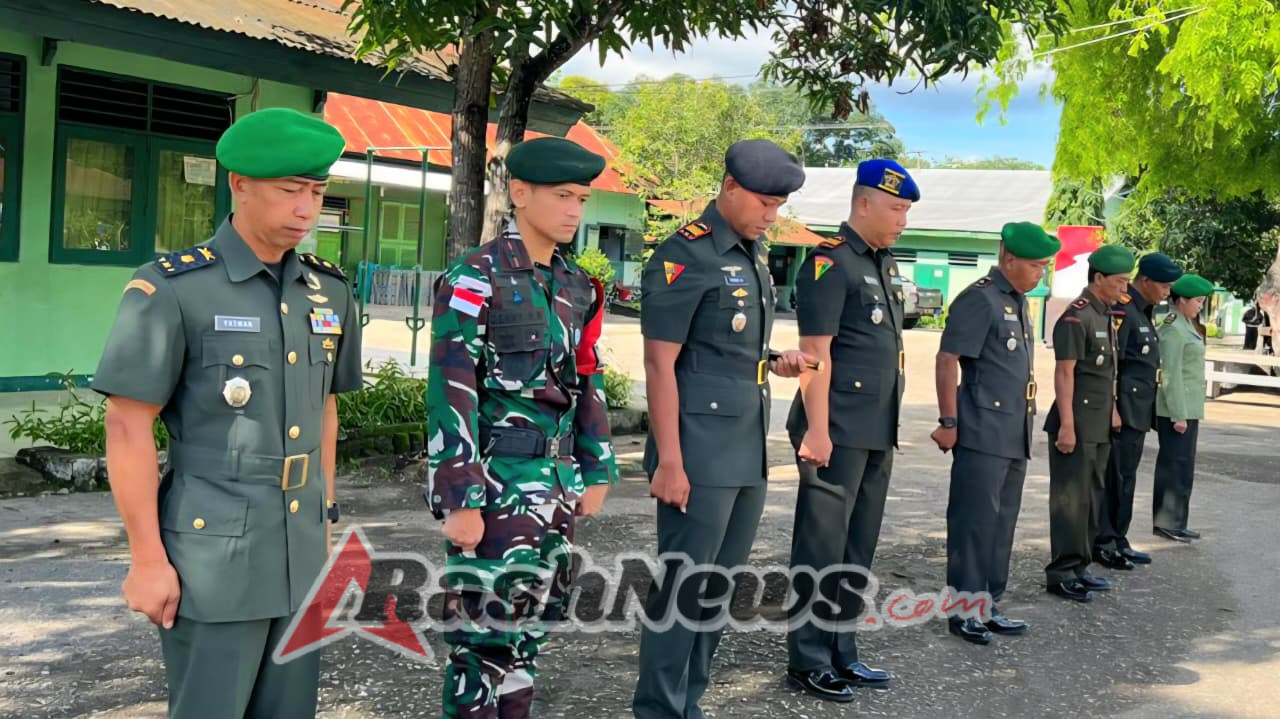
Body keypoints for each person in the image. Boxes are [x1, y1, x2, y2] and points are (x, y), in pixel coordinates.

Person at [93, 107, 362, 718]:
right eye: (290, 190)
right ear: (239, 184)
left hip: (298, 548)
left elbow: (325, 409)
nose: (305, 208)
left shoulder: (330, 290)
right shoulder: (174, 288)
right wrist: (145, 559)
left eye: (317, 192)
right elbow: (127, 425)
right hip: (213, 554)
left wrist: (325, 516)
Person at [425, 136, 620, 718]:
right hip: (497, 483)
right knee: (483, 644)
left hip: (555, 486)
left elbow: (587, 378)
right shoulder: (474, 277)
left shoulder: (576, 285)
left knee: (530, 634)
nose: (573, 211)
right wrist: (459, 497)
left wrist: (597, 464)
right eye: (562, 196)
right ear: (519, 194)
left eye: (581, 199)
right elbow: (450, 389)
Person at [633, 139, 812, 719]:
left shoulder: (749, 254)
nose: (771, 215)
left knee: (718, 590)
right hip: (698, 452)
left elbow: (729, 349)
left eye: (777, 206)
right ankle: (659, 708)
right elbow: (661, 364)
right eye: (763, 202)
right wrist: (669, 461)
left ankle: (690, 703)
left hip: (744, 448)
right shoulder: (687, 255)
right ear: (730, 188)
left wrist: (775, 358)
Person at [783, 158, 916, 700]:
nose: (902, 219)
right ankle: (807, 659)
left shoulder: (879, 263)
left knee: (856, 547)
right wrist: (816, 431)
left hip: (873, 429)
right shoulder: (829, 264)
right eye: (895, 208)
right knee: (821, 546)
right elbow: (816, 355)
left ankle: (843, 650)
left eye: (906, 210)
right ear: (863, 203)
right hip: (833, 429)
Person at [931, 222, 1059, 645]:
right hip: (982, 430)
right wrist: (949, 421)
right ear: (1009, 259)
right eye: (1036, 265)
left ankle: (989, 602)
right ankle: (964, 610)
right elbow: (948, 359)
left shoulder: (1018, 301)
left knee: (1002, 522)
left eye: (1045, 266)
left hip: (1013, 431)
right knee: (973, 522)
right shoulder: (981, 299)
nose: (1041, 273)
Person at [1042, 244, 1135, 603]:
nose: (1123, 288)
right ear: (1099, 279)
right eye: (1119, 281)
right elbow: (1064, 374)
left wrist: (1112, 409)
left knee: (1091, 498)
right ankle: (1062, 571)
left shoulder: (1105, 314)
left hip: (1097, 424)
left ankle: (1080, 566)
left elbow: (1106, 372)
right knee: (1070, 500)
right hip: (1076, 423)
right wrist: (1067, 424)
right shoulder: (1076, 317)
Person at [1094, 252, 1182, 570]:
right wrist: (1113, 408)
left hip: (1139, 409)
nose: (1168, 292)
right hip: (1124, 409)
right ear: (1144, 281)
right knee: (1115, 478)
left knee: (1127, 477)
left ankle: (1118, 537)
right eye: (1164, 285)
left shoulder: (1143, 311)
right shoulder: (1123, 310)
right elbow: (1112, 365)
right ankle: (1104, 541)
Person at [1152, 273, 1215, 543]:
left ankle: (1178, 521)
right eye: (1198, 301)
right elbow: (1171, 374)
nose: (1200, 306)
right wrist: (1178, 414)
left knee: (1185, 467)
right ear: (1182, 300)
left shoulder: (1187, 325)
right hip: (1175, 410)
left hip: (1189, 408)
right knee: (1173, 465)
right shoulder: (1173, 328)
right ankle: (1167, 522)